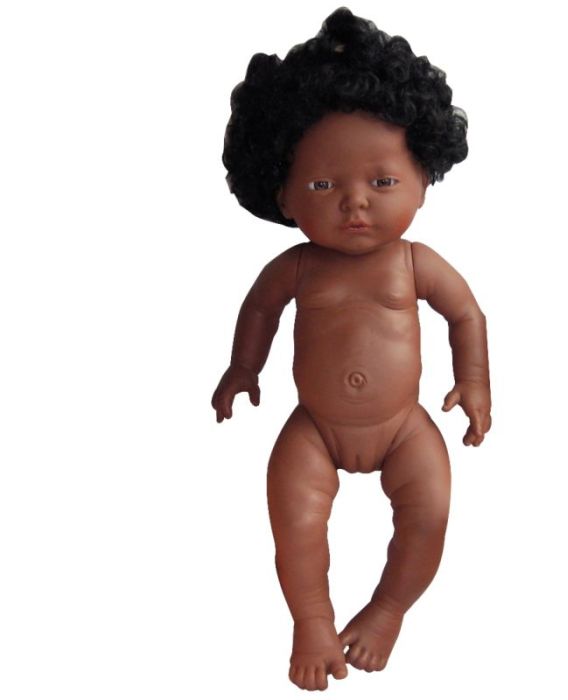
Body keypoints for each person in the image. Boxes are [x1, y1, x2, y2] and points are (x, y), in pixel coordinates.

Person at [211, 7, 492, 691]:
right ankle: (311, 621)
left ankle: (388, 610)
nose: (354, 203)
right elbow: (259, 309)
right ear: (282, 194)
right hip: (315, 427)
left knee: (429, 513)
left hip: (403, 426)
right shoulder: (297, 267)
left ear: (423, 180)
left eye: (382, 182)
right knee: (295, 521)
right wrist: (243, 367)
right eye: (323, 185)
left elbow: (466, 314)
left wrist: (475, 382)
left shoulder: (416, 263)